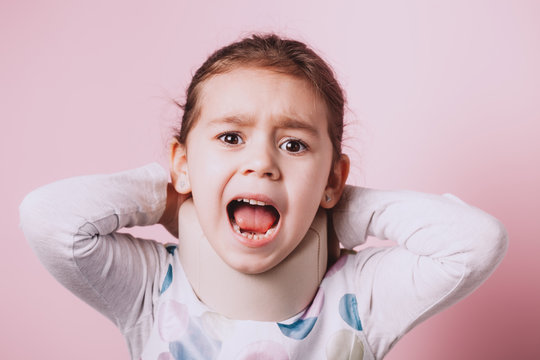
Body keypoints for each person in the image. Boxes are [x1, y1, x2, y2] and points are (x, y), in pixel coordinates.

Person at [19, 34, 508, 360]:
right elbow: (49, 220)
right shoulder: (152, 288)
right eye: (231, 137)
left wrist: (341, 211)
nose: (263, 163)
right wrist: (170, 198)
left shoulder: (360, 295)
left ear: (333, 180)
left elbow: (476, 242)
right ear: (183, 162)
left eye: (294, 145)